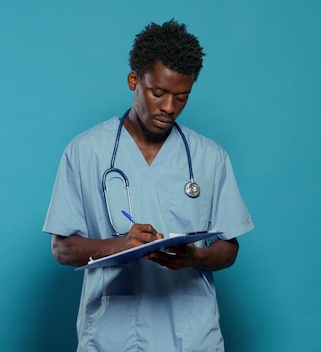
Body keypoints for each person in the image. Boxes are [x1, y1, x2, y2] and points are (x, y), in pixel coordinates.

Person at [43, 19, 254, 351]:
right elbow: (62, 248)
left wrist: (194, 258)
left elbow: (229, 249)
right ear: (134, 80)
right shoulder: (85, 152)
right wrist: (121, 245)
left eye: (182, 97)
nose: (169, 108)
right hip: (112, 337)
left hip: (192, 336)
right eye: (159, 93)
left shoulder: (210, 157)